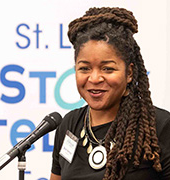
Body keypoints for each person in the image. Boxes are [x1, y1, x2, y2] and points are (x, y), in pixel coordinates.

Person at [50, 7, 170, 180]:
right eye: (84, 68)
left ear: (129, 73)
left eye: (107, 68)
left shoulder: (160, 127)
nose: (95, 78)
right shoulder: (69, 125)